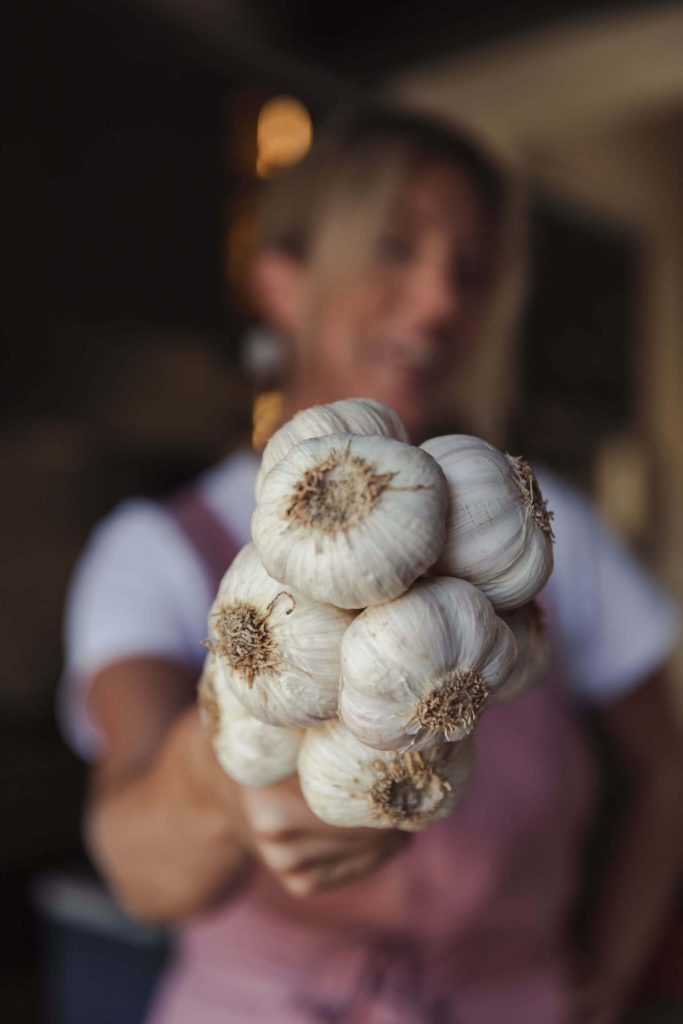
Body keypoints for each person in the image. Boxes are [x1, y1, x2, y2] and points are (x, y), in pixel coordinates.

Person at [59, 108, 682, 1024]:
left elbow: (666, 771)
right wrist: (218, 784)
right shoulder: (151, 548)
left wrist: (606, 980)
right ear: (280, 281)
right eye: (394, 250)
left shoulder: (547, 529)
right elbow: (137, 866)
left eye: (470, 270)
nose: (440, 302)